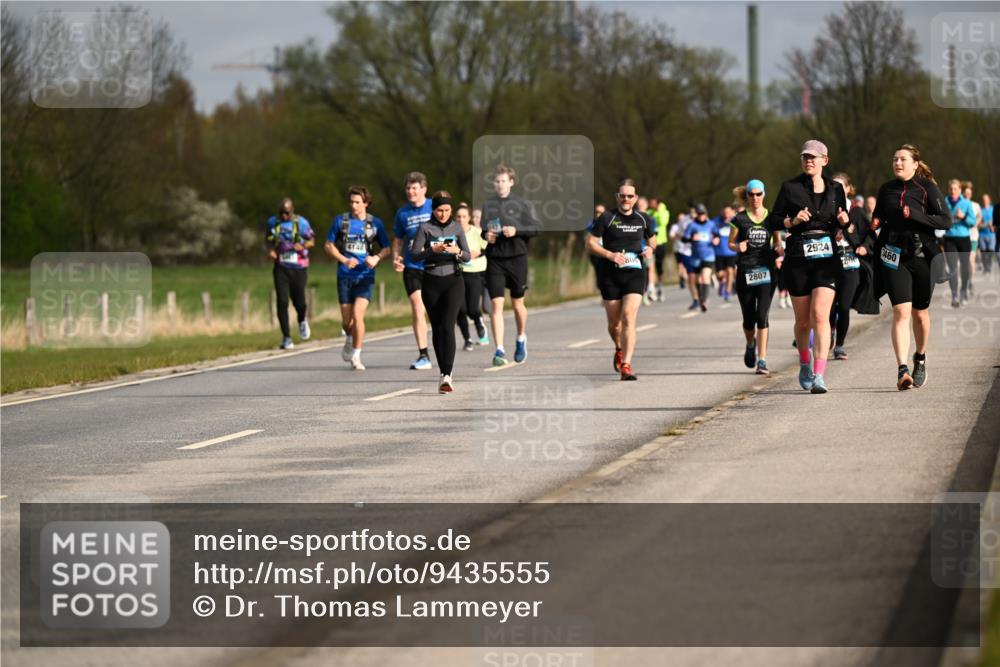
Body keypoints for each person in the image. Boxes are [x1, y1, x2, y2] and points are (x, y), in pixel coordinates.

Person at [768, 139, 849, 394]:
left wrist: (843, 223)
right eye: (805, 157)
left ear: (825, 160)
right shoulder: (790, 188)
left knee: (820, 316)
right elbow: (773, 220)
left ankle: (819, 375)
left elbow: (841, 220)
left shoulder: (836, 189)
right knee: (803, 323)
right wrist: (791, 222)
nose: (809, 161)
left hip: (826, 258)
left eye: (814, 157)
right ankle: (804, 363)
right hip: (798, 258)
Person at [871, 144, 951, 389]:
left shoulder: (927, 188)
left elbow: (946, 220)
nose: (897, 163)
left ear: (915, 164)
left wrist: (916, 216)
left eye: (902, 159)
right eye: (894, 159)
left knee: (919, 313)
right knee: (901, 312)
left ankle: (920, 357)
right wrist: (870, 224)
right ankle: (902, 369)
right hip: (894, 257)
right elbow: (878, 218)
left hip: (922, 256)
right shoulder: (886, 189)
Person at [588, 179, 656, 380]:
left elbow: (653, 240)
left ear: (635, 198)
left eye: (630, 196)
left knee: (628, 316)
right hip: (610, 273)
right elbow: (590, 244)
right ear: (617, 197)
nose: (626, 199)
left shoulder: (643, 219)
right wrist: (610, 255)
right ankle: (618, 347)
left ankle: (626, 365)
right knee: (614, 324)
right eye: (622, 196)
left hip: (635, 272)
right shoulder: (607, 218)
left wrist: (650, 249)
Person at [409, 192, 472, 393]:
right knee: (437, 328)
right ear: (433, 210)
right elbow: (415, 255)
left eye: (446, 210)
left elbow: (468, 256)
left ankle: (447, 374)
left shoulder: (456, 227)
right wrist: (432, 250)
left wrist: (458, 252)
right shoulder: (425, 228)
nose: (443, 214)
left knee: (448, 325)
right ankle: (442, 372)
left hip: (454, 280)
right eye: (439, 210)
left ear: (451, 210)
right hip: (431, 281)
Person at [324, 186, 391, 371]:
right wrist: (344, 260)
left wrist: (376, 258)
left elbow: (387, 247)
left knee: (357, 315)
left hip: (365, 276)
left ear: (366, 203)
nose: (354, 205)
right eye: (351, 202)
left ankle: (356, 355)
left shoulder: (375, 224)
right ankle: (349, 337)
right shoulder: (341, 221)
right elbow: (328, 245)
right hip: (344, 276)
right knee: (347, 322)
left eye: (357, 202)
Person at [481, 164, 540, 366]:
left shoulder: (522, 203)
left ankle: (521, 337)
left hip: (517, 258)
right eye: (497, 181)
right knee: (496, 305)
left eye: (503, 181)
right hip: (495, 259)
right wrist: (486, 235)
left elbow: (536, 228)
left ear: (511, 182)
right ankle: (499, 350)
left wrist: (517, 230)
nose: (500, 185)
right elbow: (483, 229)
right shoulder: (488, 204)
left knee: (517, 304)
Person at [730, 180, 782, 374]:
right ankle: (750, 343)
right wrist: (737, 247)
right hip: (745, 271)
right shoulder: (739, 219)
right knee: (748, 319)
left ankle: (762, 360)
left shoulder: (771, 218)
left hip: (767, 271)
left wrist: (780, 249)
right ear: (747, 197)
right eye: (751, 194)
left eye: (758, 194)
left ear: (764, 195)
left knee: (763, 316)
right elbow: (730, 243)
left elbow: (777, 242)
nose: (755, 198)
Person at [828, 172, 874, 360]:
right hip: (829, 264)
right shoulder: (825, 210)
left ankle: (839, 345)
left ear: (848, 189)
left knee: (844, 306)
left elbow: (870, 235)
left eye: (841, 187)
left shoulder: (857, 212)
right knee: (829, 307)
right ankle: (828, 333)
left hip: (851, 264)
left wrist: (864, 247)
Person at [393, 172, 434, 370]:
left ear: (423, 189)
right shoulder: (402, 213)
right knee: (418, 307)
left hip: (435, 266)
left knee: (436, 310)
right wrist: (396, 257)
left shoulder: (434, 207)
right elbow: (398, 240)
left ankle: (442, 346)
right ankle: (423, 354)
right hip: (412, 267)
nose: (410, 191)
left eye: (414, 188)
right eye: (408, 188)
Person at [265, 197, 315, 350]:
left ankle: (302, 320)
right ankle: (286, 337)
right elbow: (267, 240)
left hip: (299, 267)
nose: (284, 216)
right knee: (282, 302)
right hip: (281, 267)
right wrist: (270, 251)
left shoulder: (301, 222)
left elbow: (312, 240)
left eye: (286, 213)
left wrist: (303, 245)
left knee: (299, 302)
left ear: (291, 211)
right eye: (281, 213)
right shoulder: (273, 222)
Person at [455, 202, 489, 350]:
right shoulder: (452, 233)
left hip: (475, 272)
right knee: (460, 309)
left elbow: (487, 247)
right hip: (458, 273)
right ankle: (467, 339)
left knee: (472, 309)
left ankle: (479, 323)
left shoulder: (476, 232)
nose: (461, 219)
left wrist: (477, 253)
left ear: (469, 218)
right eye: (458, 216)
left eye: (464, 216)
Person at [943, 178, 977, 307]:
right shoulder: (943, 202)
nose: (953, 191)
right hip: (950, 239)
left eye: (955, 189)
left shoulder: (966, 203)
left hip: (963, 239)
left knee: (964, 267)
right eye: (951, 189)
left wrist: (964, 217)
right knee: (952, 268)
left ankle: (963, 290)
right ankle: (954, 295)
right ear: (948, 190)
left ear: (960, 190)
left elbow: (973, 222)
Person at [682, 203, 719, 312]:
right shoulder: (692, 225)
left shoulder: (711, 224)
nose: (701, 216)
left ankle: (704, 300)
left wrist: (716, 240)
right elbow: (684, 239)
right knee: (698, 279)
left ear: (706, 214)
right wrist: (692, 238)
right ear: (696, 215)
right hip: (695, 257)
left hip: (709, 255)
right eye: (699, 214)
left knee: (706, 276)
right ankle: (700, 298)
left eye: (703, 213)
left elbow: (717, 235)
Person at [713, 204, 738, 302]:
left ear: (732, 212)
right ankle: (722, 282)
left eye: (728, 212)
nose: (726, 214)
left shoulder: (736, 221)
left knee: (730, 271)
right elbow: (711, 231)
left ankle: (727, 292)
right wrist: (714, 238)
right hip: (719, 252)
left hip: (731, 252)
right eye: (724, 212)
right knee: (720, 274)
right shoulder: (716, 221)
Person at [649, 197, 671, 301]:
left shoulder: (664, 212)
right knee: (650, 266)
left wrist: (659, 211)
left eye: (653, 203)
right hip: (650, 243)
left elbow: (663, 222)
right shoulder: (650, 212)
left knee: (659, 266)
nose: (651, 205)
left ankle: (660, 286)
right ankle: (650, 288)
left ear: (658, 204)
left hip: (661, 242)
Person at [668, 213, 693, 298]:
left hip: (687, 249)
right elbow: (671, 236)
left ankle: (684, 277)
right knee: (680, 265)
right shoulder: (675, 227)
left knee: (685, 265)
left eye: (683, 218)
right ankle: (682, 278)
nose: (681, 219)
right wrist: (678, 236)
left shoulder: (688, 225)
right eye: (680, 218)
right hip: (678, 249)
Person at [588, 203, 607, 292]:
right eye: (596, 212)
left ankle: (607, 290)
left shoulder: (609, 222)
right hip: (595, 251)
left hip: (606, 251)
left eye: (601, 212)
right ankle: (602, 290)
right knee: (598, 271)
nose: (598, 214)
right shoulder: (591, 224)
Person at [980, 193, 996, 273]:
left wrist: (993, 225)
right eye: (983, 199)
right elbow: (978, 223)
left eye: (986, 199)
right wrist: (985, 224)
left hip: (991, 234)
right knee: (983, 252)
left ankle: (988, 266)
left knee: (990, 251)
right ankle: (985, 266)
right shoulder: (980, 210)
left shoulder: (993, 209)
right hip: (982, 234)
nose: (985, 201)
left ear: (989, 200)